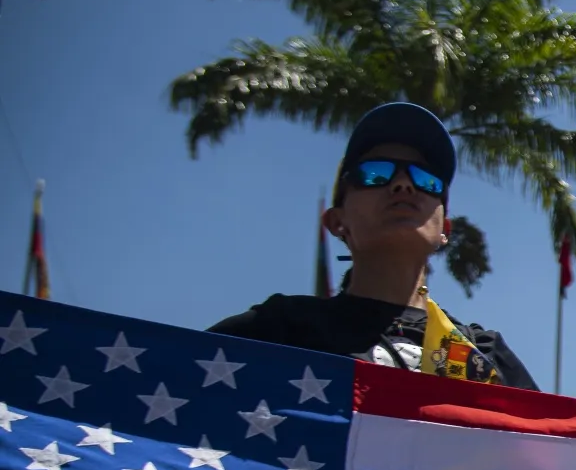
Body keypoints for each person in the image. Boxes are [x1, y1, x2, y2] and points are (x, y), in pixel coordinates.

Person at [211, 102, 536, 388]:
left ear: (444, 231)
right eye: (374, 173)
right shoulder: (282, 330)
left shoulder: (480, 354)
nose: (403, 184)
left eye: (426, 180)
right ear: (336, 222)